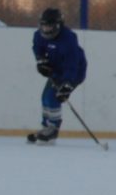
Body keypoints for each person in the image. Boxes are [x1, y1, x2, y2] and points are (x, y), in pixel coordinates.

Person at [27, 9, 86, 145]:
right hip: (55, 70)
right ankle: (46, 127)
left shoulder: (69, 38)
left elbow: (72, 64)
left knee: (52, 97)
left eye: (50, 26)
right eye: (44, 26)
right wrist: (41, 60)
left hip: (74, 72)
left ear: (58, 25)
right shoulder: (38, 35)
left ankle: (53, 130)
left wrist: (67, 84)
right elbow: (37, 47)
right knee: (45, 97)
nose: (46, 30)